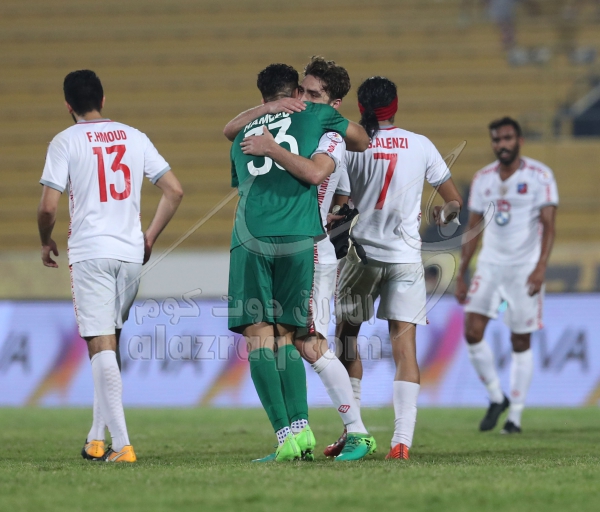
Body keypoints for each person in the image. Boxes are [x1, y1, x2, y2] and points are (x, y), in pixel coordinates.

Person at [226, 57, 376, 462]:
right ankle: (308, 436)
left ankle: (355, 431)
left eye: (314, 95)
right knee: (294, 340)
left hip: (309, 247)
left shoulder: (329, 136)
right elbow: (340, 192)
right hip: (301, 240)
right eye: (302, 92)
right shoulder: (301, 125)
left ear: (334, 104)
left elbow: (315, 173)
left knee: (306, 342)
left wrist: (272, 147)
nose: (304, 101)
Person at [37, 70, 183, 462]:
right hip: (131, 254)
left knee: (100, 343)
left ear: (68, 105)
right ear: (103, 99)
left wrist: (45, 240)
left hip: (91, 253)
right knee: (109, 342)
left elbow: (48, 207)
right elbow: (174, 190)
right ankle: (96, 438)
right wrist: (149, 237)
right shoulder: (135, 137)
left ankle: (122, 445)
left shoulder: (65, 141)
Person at [329, 76, 463, 460]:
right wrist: (443, 215)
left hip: (363, 256)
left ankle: (353, 431)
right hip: (405, 259)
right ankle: (401, 442)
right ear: (396, 105)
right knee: (405, 350)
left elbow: (341, 204)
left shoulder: (351, 147)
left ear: (361, 107)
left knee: (346, 337)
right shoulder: (420, 144)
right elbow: (454, 203)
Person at [455, 116, 558, 434]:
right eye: (497, 140)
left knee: (520, 339)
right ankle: (496, 397)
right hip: (489, 265)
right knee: (472, 331)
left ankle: (515, 416)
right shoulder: (483, 178)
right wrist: (461, 272)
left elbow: (549, 226)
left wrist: (540, 267)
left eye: (507, 138)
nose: (502, 144)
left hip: (524, 269)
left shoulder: (540, 175)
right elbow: (473, 228)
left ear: (519, 141)